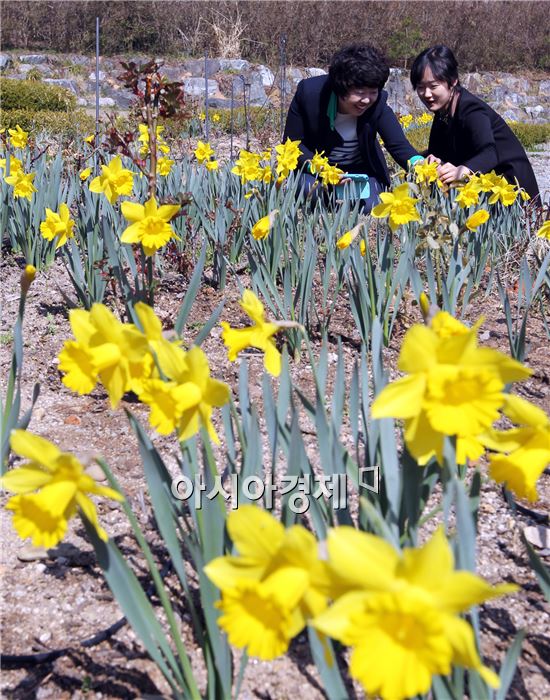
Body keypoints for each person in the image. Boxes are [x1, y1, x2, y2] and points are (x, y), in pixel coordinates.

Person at [283, 44, 422, 212]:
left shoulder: (377, 103)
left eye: (373, 91)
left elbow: (398, 144)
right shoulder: (310, 95)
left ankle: (338, 205)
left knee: (373, 206)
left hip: (360, 174)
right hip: (319, 173)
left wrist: (420, 165)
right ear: (340, 87)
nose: (366, 100)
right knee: (308, 191)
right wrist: (323, 170)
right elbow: (292, 144)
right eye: (360, 92)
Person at [410, 45, 540, 200]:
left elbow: (490, 153)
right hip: (486, 186)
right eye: (420, 87)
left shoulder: (471, 110)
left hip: (512, 191)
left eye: (433, 86)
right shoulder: (443, 111)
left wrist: (462, 171)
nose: (427, 94)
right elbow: (437, 152)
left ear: (453, 81)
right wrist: (434, 160)